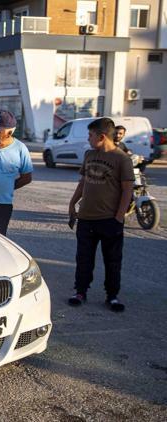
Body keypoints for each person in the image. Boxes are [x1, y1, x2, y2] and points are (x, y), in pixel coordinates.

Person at [67, 118, 133, 312]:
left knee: (112, 260)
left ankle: (112, 296)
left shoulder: (122, 159)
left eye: (90, 135)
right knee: (84, 259)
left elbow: (127, 190)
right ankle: (80, 291)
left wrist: (119, 218)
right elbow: (83, 182)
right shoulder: (89, 155)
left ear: (102, 136)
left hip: (109, 220)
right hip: (86, 219)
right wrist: (72, 203)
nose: (88, 139)